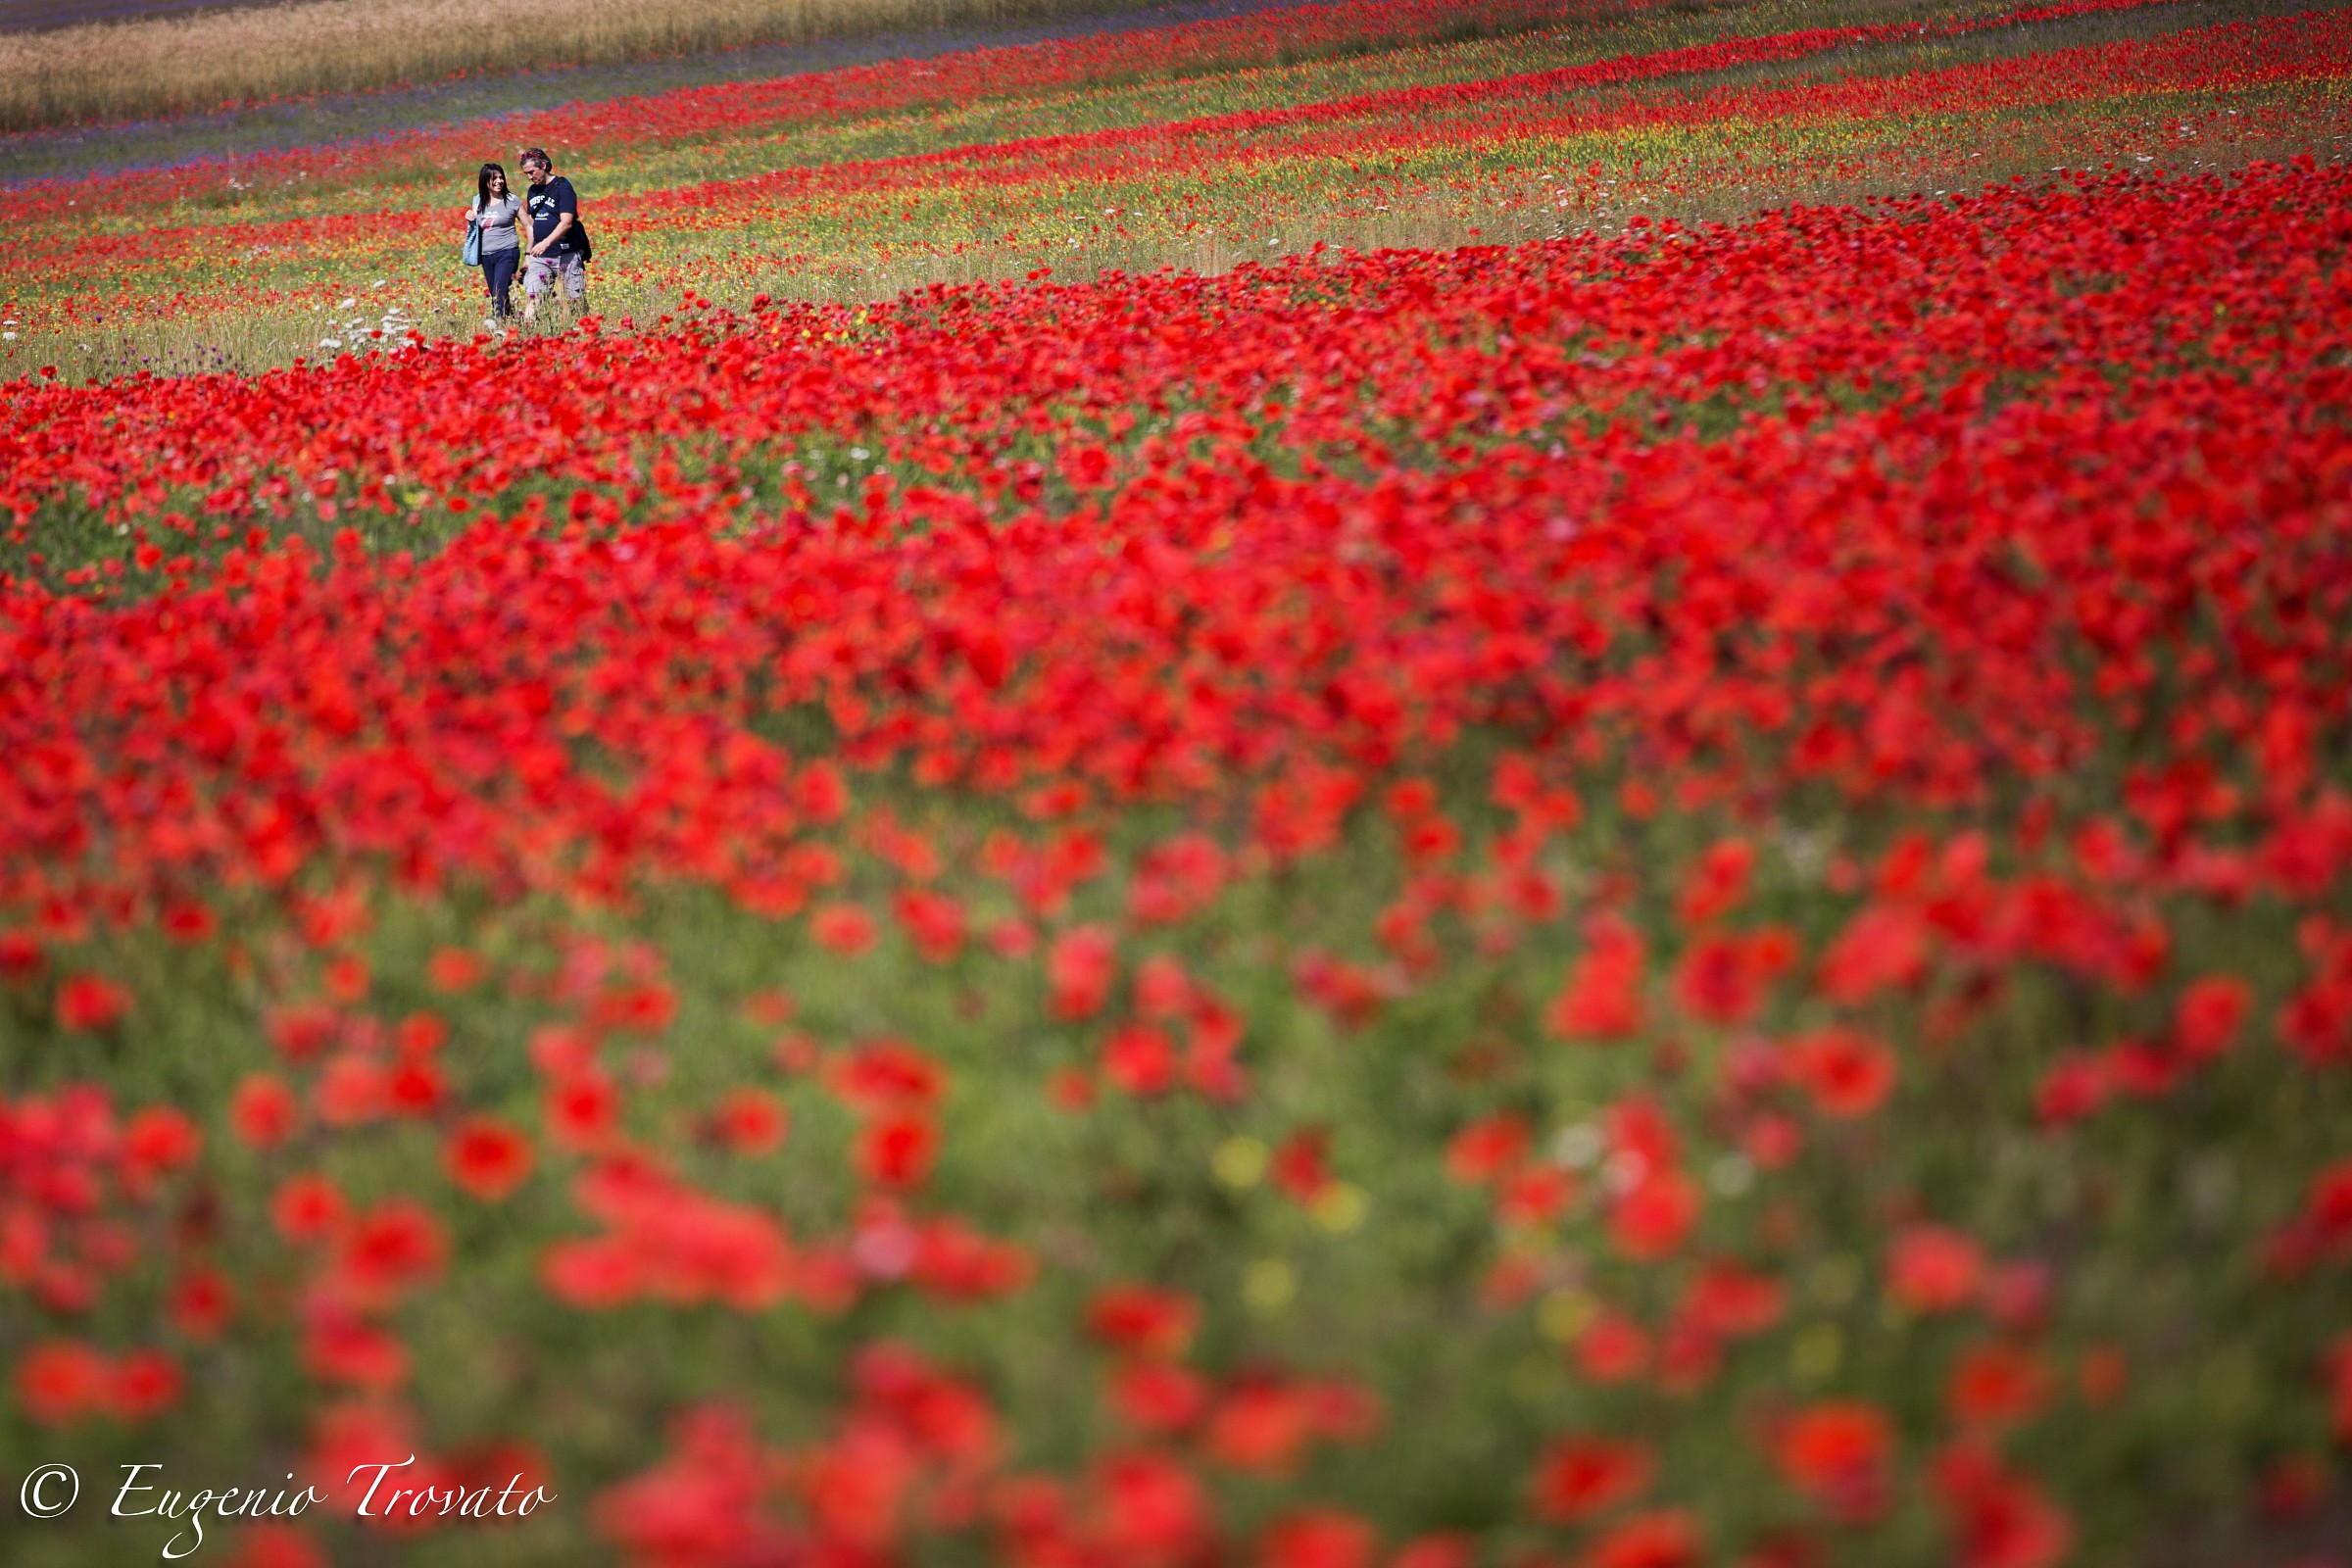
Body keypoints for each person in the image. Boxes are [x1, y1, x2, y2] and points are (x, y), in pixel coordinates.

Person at [517, 147, 588, 324]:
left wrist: (546, 243)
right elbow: (533, 225)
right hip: (540, 257)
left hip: (566, 254)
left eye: (532, 172)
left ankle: (584, 329)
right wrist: (528, 255)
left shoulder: (563, 188)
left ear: (544, 165)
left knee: (575, 300)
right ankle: (528, 332)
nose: (529, 177)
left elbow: (566, 223)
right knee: (533, 296)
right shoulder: (532, 191)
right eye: (526, 173)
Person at [466, 162, 523, 322]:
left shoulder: (512, 200)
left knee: (498, 296)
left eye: (501, 177)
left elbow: (528, 225)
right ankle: (515, 323)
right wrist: (470, 218)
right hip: (487, 255)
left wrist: (529, 254)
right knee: (499, 295)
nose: (499, 181)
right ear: (485, 182)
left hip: (507, 252)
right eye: (494, 178)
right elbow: (477, 229)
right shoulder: (478, 202)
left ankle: (498, 327)